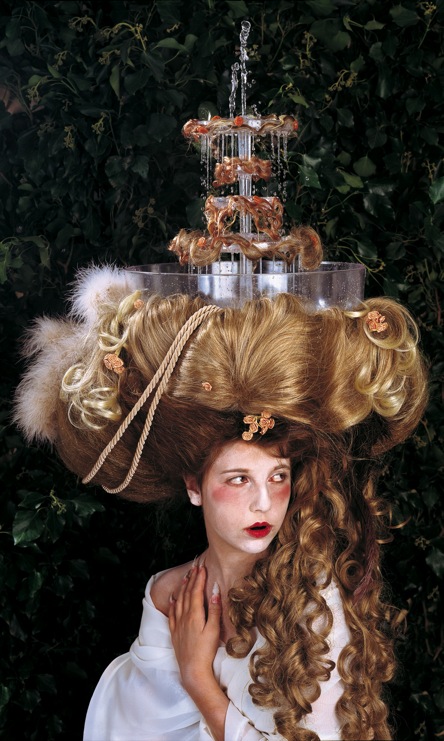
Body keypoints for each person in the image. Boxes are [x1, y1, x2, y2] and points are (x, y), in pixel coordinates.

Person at [13, 265, 427, 740]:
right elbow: (129, 720)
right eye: (239, 479)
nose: (264, 502)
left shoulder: (313, 605)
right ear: (194, 486)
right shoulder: (168, 595)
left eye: (278, 477)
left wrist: (198, 678)